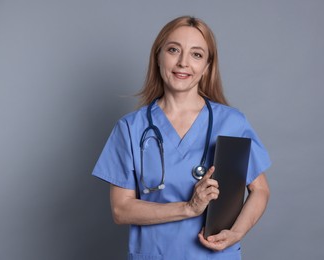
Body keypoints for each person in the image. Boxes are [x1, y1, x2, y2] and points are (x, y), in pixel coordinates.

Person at [93, 16, 271, 259]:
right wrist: (188, 208)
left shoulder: (232, 122)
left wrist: (237, 233)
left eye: (196, 54)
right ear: (158, 57)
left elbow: (260, 190)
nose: (183, 63)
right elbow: (121, 209)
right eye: (173, 50)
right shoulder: (130, 128)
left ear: (207, 66)